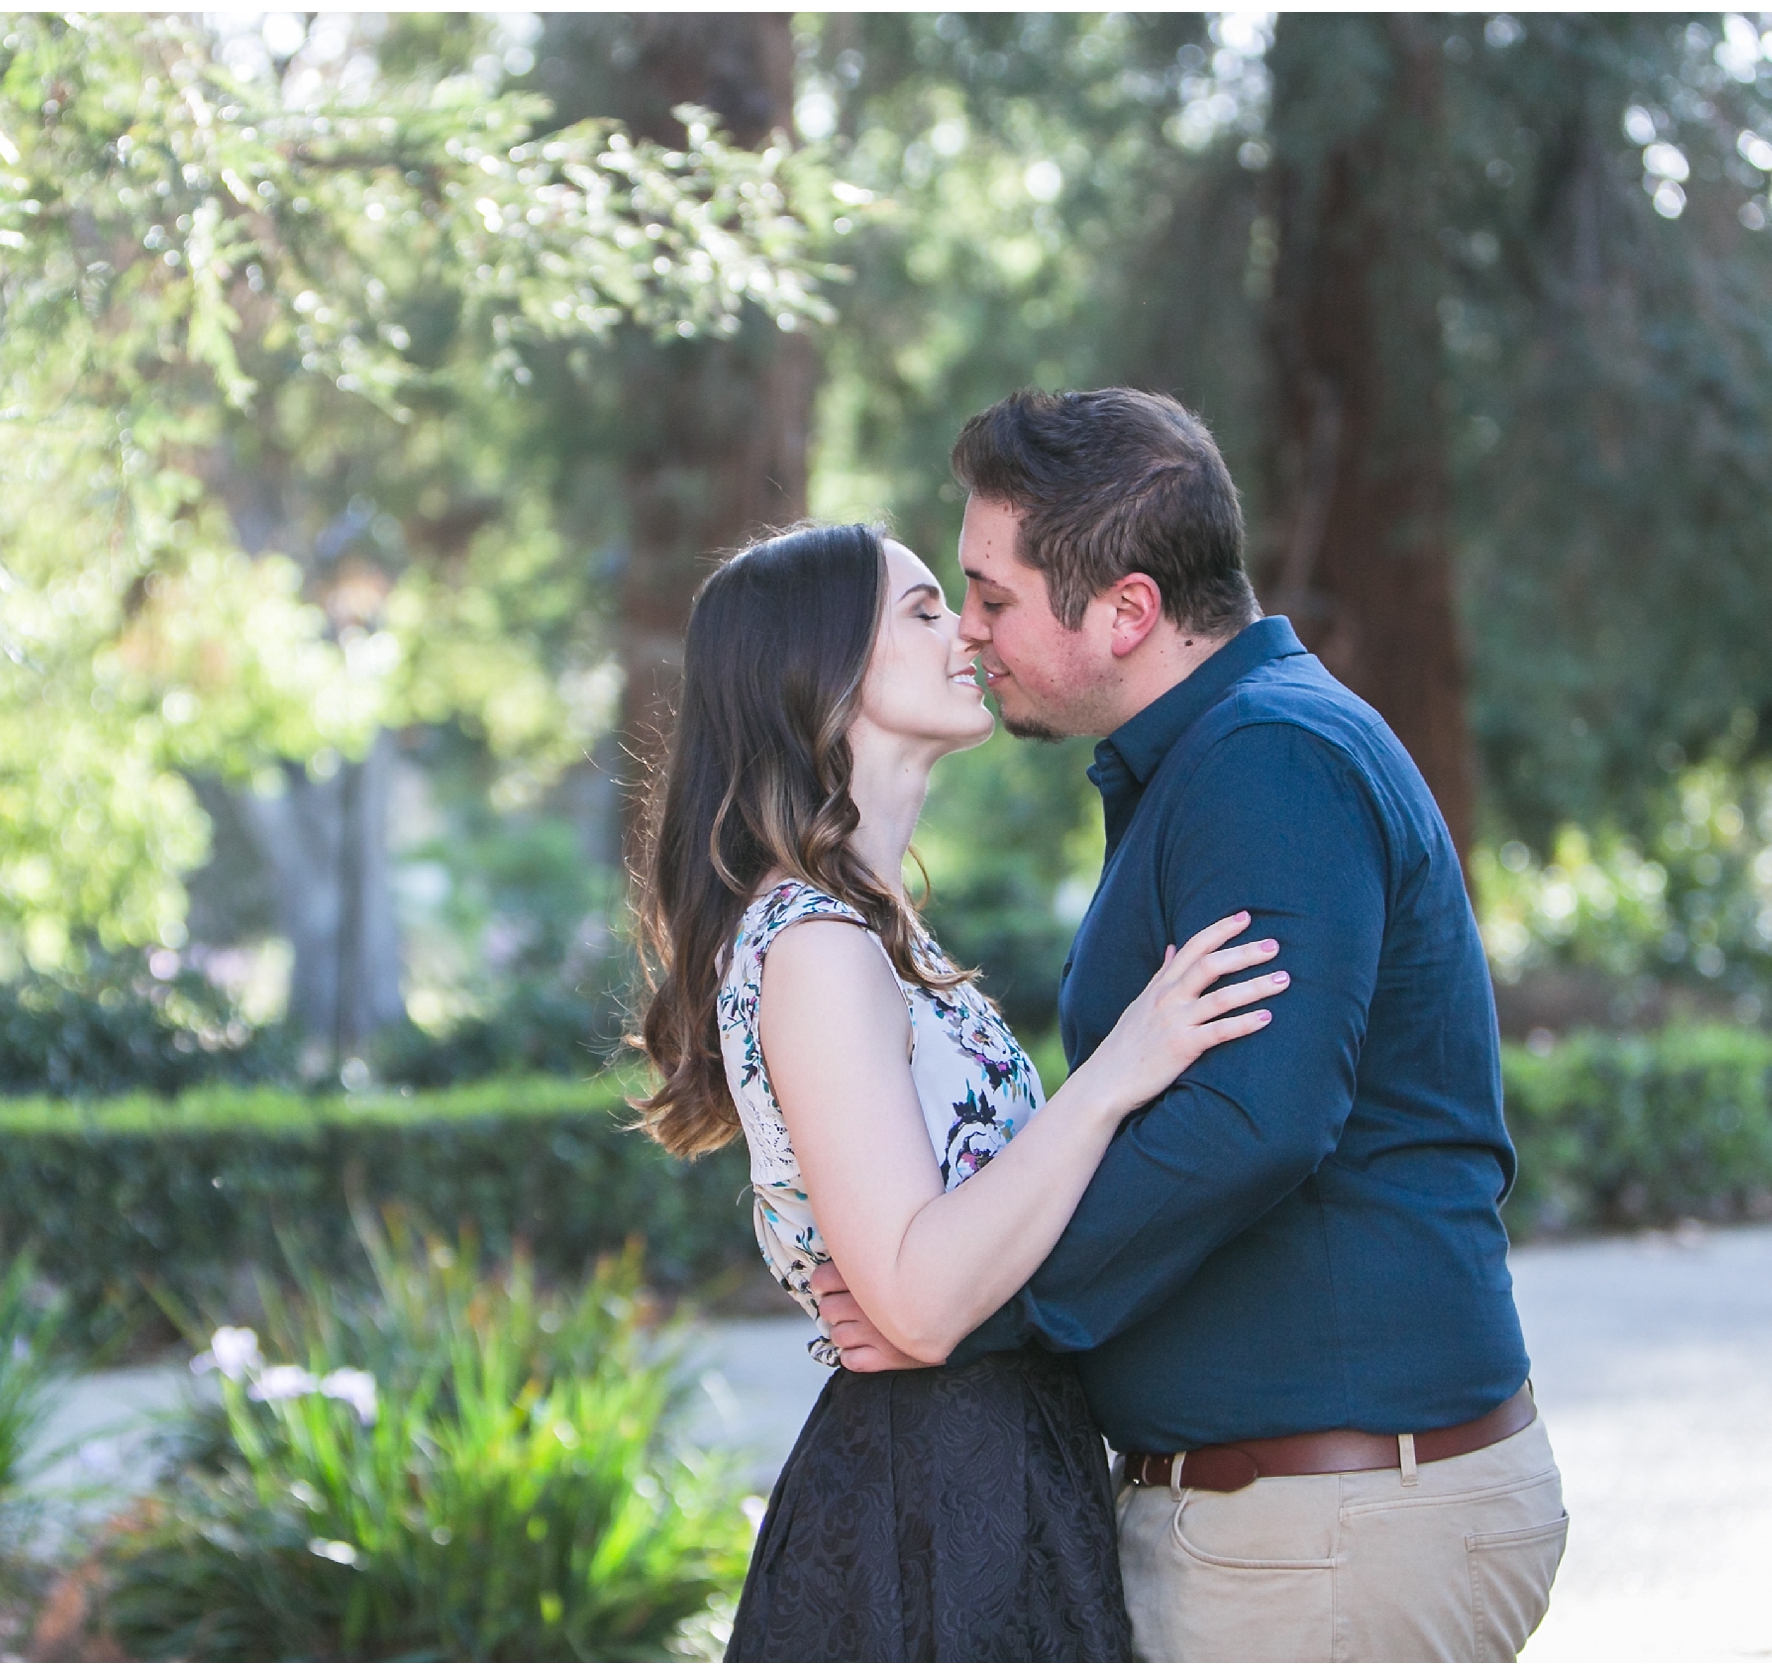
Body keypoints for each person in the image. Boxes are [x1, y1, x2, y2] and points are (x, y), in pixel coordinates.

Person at [812, 386, 1570, 1662]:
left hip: (1322, 1532)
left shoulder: (1270, 760)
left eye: (992, 597)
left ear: (1127, 611)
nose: (974, 635)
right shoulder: (1217, 758)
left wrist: (957, 1309)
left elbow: (1250, 1120)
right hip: (1289, 1520)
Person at [624, 520, 1284, 1661]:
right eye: (926, 609)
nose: (969, 630)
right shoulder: (818, 945)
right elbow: (920, 1302)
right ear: (821, 669)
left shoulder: (866, 931)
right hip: (924, 1510)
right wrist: (1115, 1075)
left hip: (984, 1473)